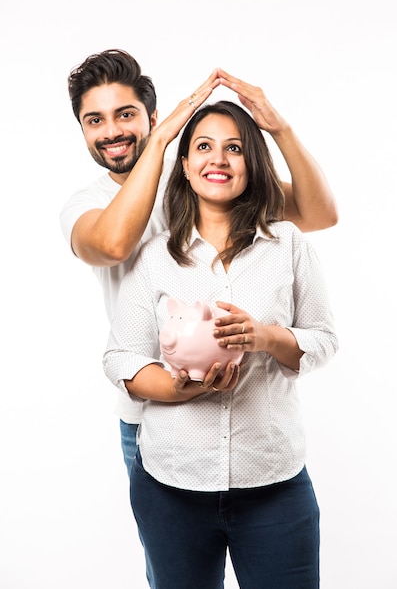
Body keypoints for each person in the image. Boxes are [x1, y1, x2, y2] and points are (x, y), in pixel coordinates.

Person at [60, 49, 338, 477]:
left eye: (126, 114)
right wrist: (163, 142)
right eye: (94, 120)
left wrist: (279, 129)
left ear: (153, 117)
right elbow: (114, 244)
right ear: (81, 130)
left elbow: (318, 213)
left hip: (249, 410)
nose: (112, 131)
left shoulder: (199, 173)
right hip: (152, 414)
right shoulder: (87, 205)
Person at [103, 98, 338, 588]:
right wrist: (181, 390)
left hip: (272, 482)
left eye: (234, 148)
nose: (219, 159)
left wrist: (266, 337)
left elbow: (324, 339)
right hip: (171, 484)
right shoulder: (154, 258)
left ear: (253, 163)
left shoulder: (289, 246)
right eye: (204, 147)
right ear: (185, 166)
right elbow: (121, 357)